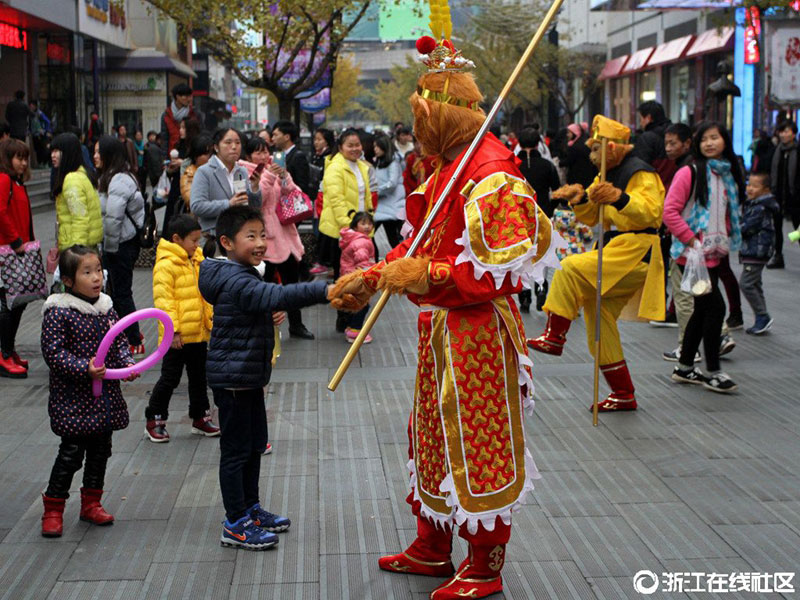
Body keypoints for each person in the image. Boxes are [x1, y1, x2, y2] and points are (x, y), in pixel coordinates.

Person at [327, 33, 560, 599]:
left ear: (448, 111)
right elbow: (423, 248)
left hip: (478, 335)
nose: (418, 123)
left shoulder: (493, 173)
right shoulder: (446, 167)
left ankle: (485, 561)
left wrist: (423, 277)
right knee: (429, 435)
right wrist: (375, 276)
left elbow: (497, 273)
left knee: (478, 443)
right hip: (439, 332)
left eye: (425, 109)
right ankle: (432, 546)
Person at [198, 206, 333, 550]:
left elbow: (260, 304)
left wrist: (263, 315)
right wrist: (323, 290)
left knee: (255, 446)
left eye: (262, 234)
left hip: (248, 377)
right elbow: (274, 295)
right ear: (226, 242)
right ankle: (235, 522)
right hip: (232, 380)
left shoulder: (244, 273)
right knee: (236, 451)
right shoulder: (235, 277)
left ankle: (251, 508)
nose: (260, 243)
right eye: (251, 236)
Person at [528, 115, 666, 412]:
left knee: (571, 268)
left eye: (595, 149)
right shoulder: (605, 174)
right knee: (598, 323)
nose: (592, 156)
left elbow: (650, 212)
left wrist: (620, 197)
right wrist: (579, 198)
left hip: (637, 248)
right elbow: (591, 217)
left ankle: (555, 335)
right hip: (617, 245)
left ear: (613, 147)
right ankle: (623, 393)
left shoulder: (640, 173)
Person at [39, 245, 138, 538]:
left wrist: (127, 365)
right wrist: (85, 368)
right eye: (87, 272)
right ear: (68, 280)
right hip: (73, 399)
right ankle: (53, 508)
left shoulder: (106, 307)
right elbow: (54, 353)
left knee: (100, 452)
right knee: (71, 454)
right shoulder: (59, 312)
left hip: (103, 398)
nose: (96, 278)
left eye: (98, 270)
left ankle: (91, 503)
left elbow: (117, 342)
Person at [664, 122, 743, 394]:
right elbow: (670, 212)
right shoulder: (690, 172)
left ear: (724, 141)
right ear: (697, 144)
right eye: (705, 139)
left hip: (714, 253)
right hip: (693, 256)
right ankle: (714, 371)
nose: (709, 143)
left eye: (715, 138)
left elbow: (728, 212)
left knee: (701, 309)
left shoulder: (726, 174)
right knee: (716, 309)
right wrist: (691, 240)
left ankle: (685, 366)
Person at [145, 214, 218, 442]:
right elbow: (164, 301)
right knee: (170, 378)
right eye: (193, 240)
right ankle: (155, 418)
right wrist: (172, 331)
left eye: (198, 240)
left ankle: (200, 417)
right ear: (177, 239)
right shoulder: (166, 265)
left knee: (199, 377)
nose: (197, 245)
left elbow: (204, 294)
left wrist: (210, 319)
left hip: (197, 332)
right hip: (176, 337)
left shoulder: (197, 258)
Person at [241, 136, 315, 340]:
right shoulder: (246, 171)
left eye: (266, 151)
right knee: (264, 284)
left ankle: (296, 324)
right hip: (262, 236)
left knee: (292, 283)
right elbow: (257, 200)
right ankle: (263, 325)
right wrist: (270, 177)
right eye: (258, 152)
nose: (264, 156)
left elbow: (292, 192)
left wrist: (284, 177)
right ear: (248, 155)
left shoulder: (271, 169)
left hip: (283, 234)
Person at [94, 135, 146, 355]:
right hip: (120, 244)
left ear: (109, 155)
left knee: (122, 293)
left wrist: (108, 251)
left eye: (98, 152)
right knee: (117, 293)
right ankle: (124, 334)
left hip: (121, 245)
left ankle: (134, 338)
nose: (95, 156)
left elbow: (113, 221)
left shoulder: (118, 181)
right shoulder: (113, 177)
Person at [318, 129, 373, 281]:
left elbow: (366, 197)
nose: (355, 149)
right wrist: (351, 227)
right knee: (344, 273)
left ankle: (359, 302)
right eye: (350, 145)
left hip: (360, 227)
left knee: (360, 271)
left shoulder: (362, 167)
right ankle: (344, 303)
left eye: (357, 145)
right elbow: (337, 201)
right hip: (343, 231)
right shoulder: (335, 168)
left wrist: (369, 220)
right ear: (341, 147)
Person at [0, 138, 34, 378]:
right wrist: (16, 240)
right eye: (18, 158)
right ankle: (3, 355)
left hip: (19, 252)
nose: (23, 163)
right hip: (7, 253)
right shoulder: (4, 180)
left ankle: (8, 350)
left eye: (25, 158)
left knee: (19, 303)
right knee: (8, 306)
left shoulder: (17, 183)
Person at [190, 127, 262, 240]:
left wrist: (254, 188)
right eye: (228, 142)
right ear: (216, 147)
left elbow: (253, 209)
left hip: (239, 236)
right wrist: (228, 204)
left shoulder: (241, 171)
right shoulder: (204, 172)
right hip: (214, 236)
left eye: (238, 143)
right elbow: (197, 206)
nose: (234, 147)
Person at [739, 172, 778, 335]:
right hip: (755, 251)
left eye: (755, 186)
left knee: (746, 283)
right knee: (755, 283)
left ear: (766, 190)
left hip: (756, 251)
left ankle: (762, 316)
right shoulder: (756, 204)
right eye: (749, 184)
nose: (750, 188)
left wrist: (732, 229)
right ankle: (761, 317)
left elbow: (746, 227)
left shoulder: (760, 207)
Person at [51, 133, 102, 253]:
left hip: (75, 248)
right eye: (52, 151)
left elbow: (80, 219)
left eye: (57, 151)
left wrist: (77, 253)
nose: (53, 155)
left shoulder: (72, 179)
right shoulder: (82, 174)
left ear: (68, 153)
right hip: (86, 245)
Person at [338, 211, 376, 343]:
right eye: (363, 223)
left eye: (370, 223)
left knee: (353, 303)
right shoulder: (361, 242)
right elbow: (363, 262)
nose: (367, 226)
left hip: (348, 276)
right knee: (362, 305)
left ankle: (349, 326)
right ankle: (355, 331)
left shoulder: (353, 237)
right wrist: (370, 277)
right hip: (357, 278)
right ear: (355, 226)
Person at [768, 120, 800, 269]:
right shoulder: (777, 151)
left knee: (798, 229)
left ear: (794, 133)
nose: (783, 134)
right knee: (777, 228)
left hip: (796, 198)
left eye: (786, 131)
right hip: (778, 196)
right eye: (781, 131)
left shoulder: (798, 150)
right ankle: (778, 256)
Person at [632, 100, 677, 188]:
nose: (640, 123)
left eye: (641, 118)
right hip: (674, 187)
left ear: (648, 118)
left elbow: (642, 167)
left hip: (655, 189)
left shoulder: (647, 138)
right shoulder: (675, 133)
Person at [372, 134, 405, 251]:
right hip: (383, 206)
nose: (375, 149)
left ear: (384, 147)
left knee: (391, 237)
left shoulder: (393, 163)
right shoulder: (379, 162)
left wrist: (377, 191)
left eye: (378, 147)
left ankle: (400, 259)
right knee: (388, 237)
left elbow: (392, 183)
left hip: (390, 206)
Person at [271, 120, 312, 198]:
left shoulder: (298, 157)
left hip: (292, 203)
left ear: (287, 137)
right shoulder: (278, 155)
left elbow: (302, 186)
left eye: (275, 135)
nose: (272, 138)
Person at [180, 134, 213, 212]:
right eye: (206, 153)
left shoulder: (218, 169)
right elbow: (191, 200)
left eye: (212, 153)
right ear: (195, 155)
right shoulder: (189, 173)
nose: (210, 156)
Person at [161, 83, 197, 154]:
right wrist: (165, 160)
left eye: (190, 96)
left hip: (190, 154)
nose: (189, 99)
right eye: (186, 96)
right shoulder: (166, 115)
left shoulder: (195, 114)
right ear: (177, 97)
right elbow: (164, 140)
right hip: (173, 155)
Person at [561, 122, 597, 189]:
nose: (567, 135)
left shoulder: (575, 147)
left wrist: (559, 162)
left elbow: (568, 161)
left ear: (575, 133)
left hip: (577, 179)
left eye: (569, 132)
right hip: (587, 179)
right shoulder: (585, 142)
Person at [28, 100, 52, 166]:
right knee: (37, 149)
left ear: (35, 106)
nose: (31, 107)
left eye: (32, 106)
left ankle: (45, 163)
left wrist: (46, 130)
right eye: (30, 106)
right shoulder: (30, 114)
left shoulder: (39, 113)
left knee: (43, 149)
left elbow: (47, 121)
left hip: (41, 134)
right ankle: (40, 163)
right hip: (34, 134)